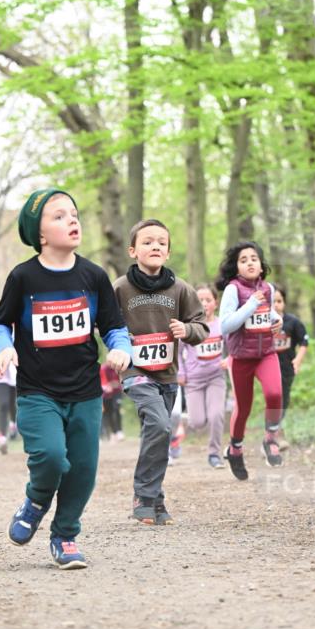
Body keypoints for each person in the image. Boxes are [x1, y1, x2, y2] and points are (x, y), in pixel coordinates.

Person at [0, 189, 130, 569]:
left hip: (85, 391)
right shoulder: (23, 277)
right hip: (38, 391)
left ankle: (65, 536)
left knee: (83, 469)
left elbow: (114, 327)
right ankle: (36, 500)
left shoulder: (94, 276)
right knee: (51, 457)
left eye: (74, 213)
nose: (72, 220)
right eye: (59, 216)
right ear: (39, 234)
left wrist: (121, 349)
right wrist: (4, 348)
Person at [113, 219, 208, 525]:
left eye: (161, 243)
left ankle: (155, 498)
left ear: (168, 252)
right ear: (133, 250)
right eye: (147, 241)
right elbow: (105, 323)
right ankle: (143, 495)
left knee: (159, 433)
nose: (155, 246)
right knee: (160, 424)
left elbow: (202, 326)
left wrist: (187, 329)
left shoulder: (181, 289)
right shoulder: (120, 288)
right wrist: (116, 345)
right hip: (135, 370)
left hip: (167, 374)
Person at [216, 241, 283, 481]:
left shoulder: (268, 288)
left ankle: (270, 438)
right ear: (236, 268)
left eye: (253, 258)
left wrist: (277, 320)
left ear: (261, 265)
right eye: (243, 260)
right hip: (241, 358)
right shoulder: (233, 290)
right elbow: (225, 325)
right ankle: (235, 449)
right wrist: (250, 305)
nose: (249, 263)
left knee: (275, 394)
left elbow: (269, 313)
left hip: (266, 353)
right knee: (243, 408)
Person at [178, 283, 229, 469]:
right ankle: (186, 423)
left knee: (216, 415)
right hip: (193, 380)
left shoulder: (222, 325)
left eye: (208, 300)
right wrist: (181, 373)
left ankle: (214, 454)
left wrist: (230, 359)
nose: (204, 304)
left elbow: (234, 346)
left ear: (215, 303)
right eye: (200, 300)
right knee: (197, 422)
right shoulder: (189, 326)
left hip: (216, 377)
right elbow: (178, 351)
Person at [273, 287, 309, 449]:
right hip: (269, 369)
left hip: (287, 368)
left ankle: (276, 430)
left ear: (284, 303)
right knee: (274, 398)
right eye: (272, 301)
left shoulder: (292, 322)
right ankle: (275, 434)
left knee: (283, 400)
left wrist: (298, 360)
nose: (275, 305)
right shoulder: (261, 323)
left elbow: (304, 341)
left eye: (279, 301)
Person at [100, 362, 124, 441]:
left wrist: (114, 384)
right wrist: (111, 385)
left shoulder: (118, 368)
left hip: (117, 392)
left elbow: (120, 382)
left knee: (117, 409)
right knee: (109, 413)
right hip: (106, 395)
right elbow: (104, 383)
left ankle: (119, 431)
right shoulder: (103, 368)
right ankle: (113, 432)